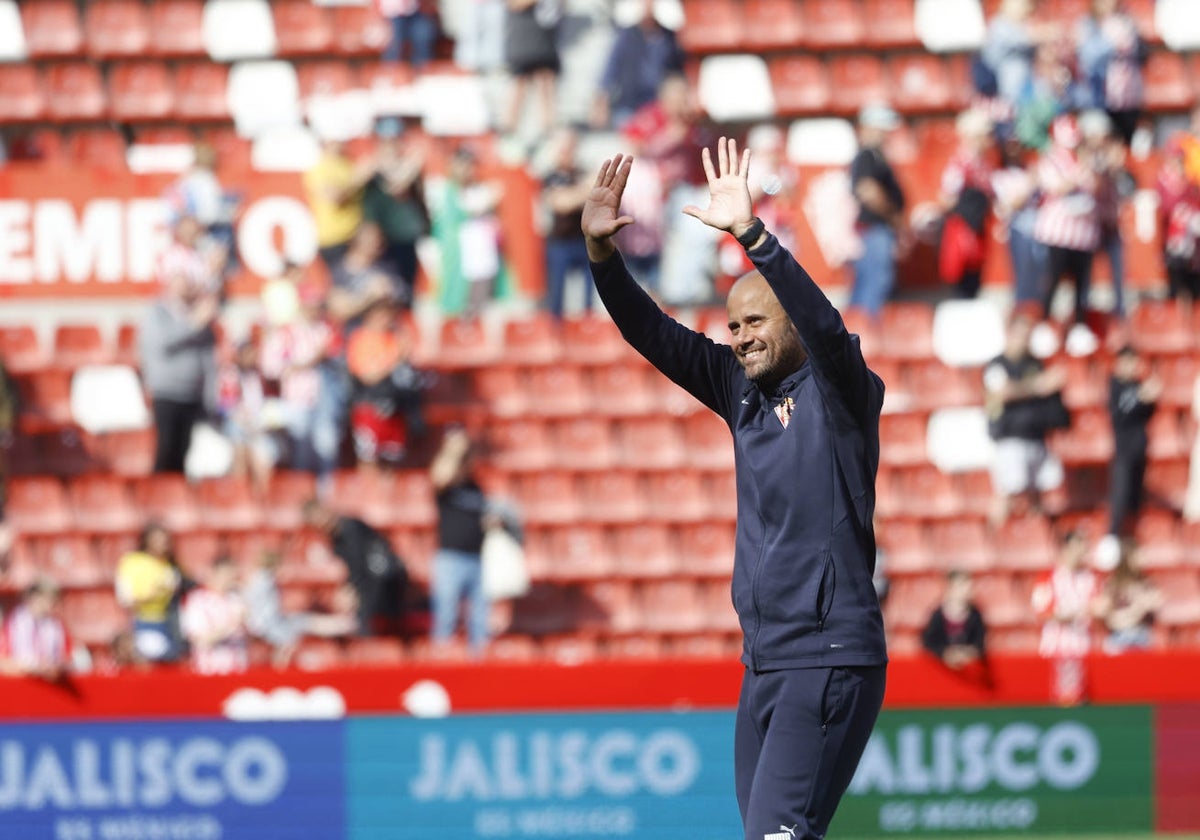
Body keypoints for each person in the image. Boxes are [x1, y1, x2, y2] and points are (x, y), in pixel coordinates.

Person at [583, 140, 887, 840]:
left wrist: (753, 237)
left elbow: (825, 325)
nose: (742, 339)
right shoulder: (738, 391)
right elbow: (652, 333)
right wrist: (603, 257)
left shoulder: (841, 389)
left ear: (793, 327)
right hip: (766, 663)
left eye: (757, 322)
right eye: (735, 327)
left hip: (826, 656)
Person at [983, 312, 1068, 524]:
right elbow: (1003, 391)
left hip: (1036, 437)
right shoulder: (997, 365)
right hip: (1009, 438)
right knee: (1007, 493)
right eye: (1020, 334)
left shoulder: (1035, 365)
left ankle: (1036, 540)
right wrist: (1039, 386)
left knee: (1037, 496)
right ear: (1009, 334)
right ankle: (994, 540)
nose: (1024, 340)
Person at [139, 274, 219, 473]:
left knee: (185, 452)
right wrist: (193, 325)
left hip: (192, 393)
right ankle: (158, 496)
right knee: (166, 449)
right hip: (166, 393)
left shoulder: (199, 317)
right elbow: (162, 343)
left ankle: (176, 497)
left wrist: (210, 394)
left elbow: (208, 357)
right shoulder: (158, 314)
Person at [429, 427, 493, 654]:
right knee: (446, 616)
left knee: (480, 621)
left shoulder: (476, 487)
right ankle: (441, 665)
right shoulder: (448, 484)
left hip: (478, 559)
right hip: (450, 559)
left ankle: (479, 666)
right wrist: (455, 449)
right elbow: (440, 475)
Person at [302, 500, 407, 636]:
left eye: (321, 517)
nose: (322, 523)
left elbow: (365, 566)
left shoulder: (351, 528)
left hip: (383, 586)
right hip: (372, 587)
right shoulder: (336, 540)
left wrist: (352, 592)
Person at [346, 293, 424, 470]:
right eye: (382, 313)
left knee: (393, 460)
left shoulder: (395, 338)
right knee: (369, 458)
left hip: (395, 408)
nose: (386, 319)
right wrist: (395, 359)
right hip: (370, 408)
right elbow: (367, 375)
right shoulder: (361, 339)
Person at [243, 552, 357, 667]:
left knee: (303, 622)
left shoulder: (262, 581)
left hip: (270, 622)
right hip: (266, 625)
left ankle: (339, 625)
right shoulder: (264, 581)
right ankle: (340, 625)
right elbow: (262, 613)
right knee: (301, 625)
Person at [1032, 529, 1103, 704]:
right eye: (1079, 546)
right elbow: (1043, 612)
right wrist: (1077, 613)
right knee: (1061, 703)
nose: (1083, 551)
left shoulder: (1091, 578)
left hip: (1085, 650)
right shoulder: (1047, 577)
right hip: (1057, 652)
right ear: (1066, 548)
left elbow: (1101, 608)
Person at [849, 103, 906, 317]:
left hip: (874, 229)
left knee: (868, 281)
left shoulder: (872, 155)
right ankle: (865, 334)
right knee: (876, 282)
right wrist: (893, 216)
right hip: (875, 228)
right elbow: (868, 190)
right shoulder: (867, 155)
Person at [593, 0, 684, 129]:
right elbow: (611, 68)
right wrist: (601, 100)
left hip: (658, 106)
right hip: (629, 105)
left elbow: (677, 71)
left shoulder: (668, 38)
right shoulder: (626, 36)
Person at [1105, 345, 1160, 542]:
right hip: (1123, 449)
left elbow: (1149, 413)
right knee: (1120, 493)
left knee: (1136, 497)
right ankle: (1112, 537)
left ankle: (1132, 540)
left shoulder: (1138, 384)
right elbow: (1119, 414)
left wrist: (1151, 398)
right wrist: (1140, 398)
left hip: (1140, 447)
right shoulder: (1113, 385)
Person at [1075, 0, 1145, 146]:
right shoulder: (1088, 24)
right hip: (1097, 98)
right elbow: (1088, 57)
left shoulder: (1126, 22)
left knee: (1125, 141)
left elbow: (1140, 52)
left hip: (1127, 96)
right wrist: (1110, 42)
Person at [541, 128, 594, 318]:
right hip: (559, 242)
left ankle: (587, 329)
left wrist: (574, 195)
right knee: (556, 294)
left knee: (590, 294)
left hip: (583, 241)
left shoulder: (582, 172)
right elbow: (560, 204)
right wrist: (582, 193)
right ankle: (556, 333)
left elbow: (594, 195)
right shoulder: (550, 176)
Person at [115, 522, 185, 663]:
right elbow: (126, 598)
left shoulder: (170, 565)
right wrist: (151, 595)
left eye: (165, 540)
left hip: (169, 622)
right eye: (158, 539)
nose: (163, 544)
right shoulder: (132, 562)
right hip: (144, 621)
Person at [303, 140, 374, 273]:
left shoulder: (348, 163)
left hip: (356, 238)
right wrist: (357, 179)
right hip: (334, 239)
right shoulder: (319, 168)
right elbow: (333, 198)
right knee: (345, 284)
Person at [179, 556, 248, 675]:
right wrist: (230, 627)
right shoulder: (197, 601)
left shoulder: (236, 600)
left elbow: (249, 634)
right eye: (225, 575)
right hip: (209, 671)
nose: (229, 580)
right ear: (214, 573)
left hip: (237, 671)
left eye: (232, 575)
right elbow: (200, 640)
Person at [1, 577, 73, 680]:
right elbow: (3, 662)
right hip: (19, 684)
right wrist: (33, 667)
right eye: (46, 597)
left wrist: (55, 667)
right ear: (32, 597)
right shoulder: (13, 622)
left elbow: (67, 659)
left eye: (53, 598)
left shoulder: (56, 625)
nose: (50, 602)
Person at [1096, 541, 1161, 653]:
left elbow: (1155, 603)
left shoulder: (1147, 584)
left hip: (1141, 635)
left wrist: (1133, 611)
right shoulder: (1113, 584)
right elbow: (1101, 611)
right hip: (1118, 635)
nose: (1143, 558)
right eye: (1138, 554)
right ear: (1128, 557)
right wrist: (1130, 613)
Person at [921, 570, 987, 670]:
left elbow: (979, 644)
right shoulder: (937, 615)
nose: (967, 589)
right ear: (950, 588)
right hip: (940, 671)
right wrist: (946, 654)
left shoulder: (975, 615)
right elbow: (929, 644)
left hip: (969, 671)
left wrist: (965, 654)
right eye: (961, 586)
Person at [376, 0, 436, 68]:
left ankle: (422, 72)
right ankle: (391, 73)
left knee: (423, 36)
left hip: (416, 11)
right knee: (394, 44)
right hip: (391, 14)